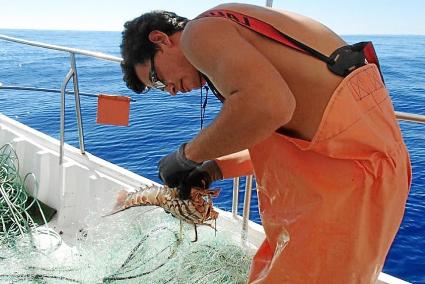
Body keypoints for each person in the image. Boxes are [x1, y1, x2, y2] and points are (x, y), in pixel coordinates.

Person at [120, 3, 411, 283]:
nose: (169, 91)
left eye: (157, 79)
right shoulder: (241, 39)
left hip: (348, 190)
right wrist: (212, 169)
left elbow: (270, 106)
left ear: (160, 39)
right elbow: (295, 137)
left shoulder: (199, 33)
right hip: (366, 176)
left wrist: (186, 156)